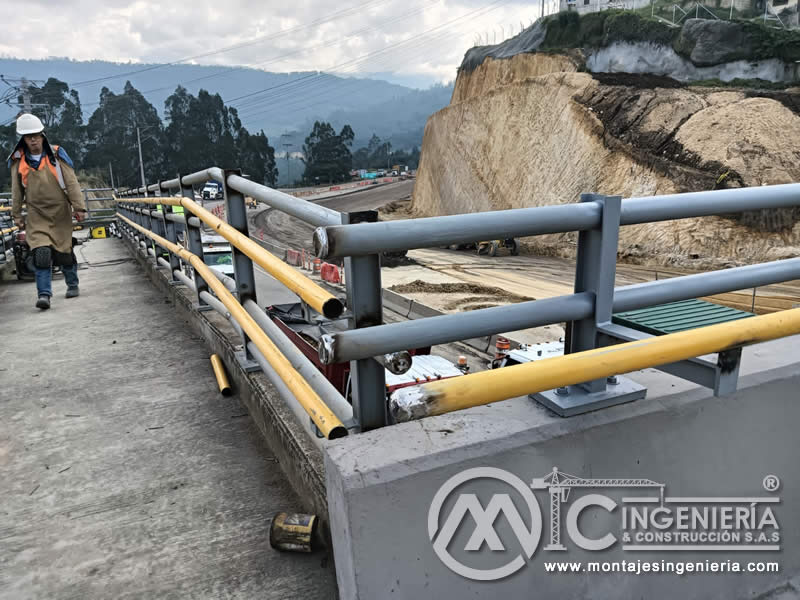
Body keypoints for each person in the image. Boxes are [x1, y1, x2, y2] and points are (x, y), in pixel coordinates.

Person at [9, 113, 86, 310]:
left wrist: (79, 207)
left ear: (43, 135)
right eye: (29, 137)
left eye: (36, 135)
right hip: (36, 214)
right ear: (23, 139)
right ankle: (44, 294)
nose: (33, 140)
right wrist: (16, 214)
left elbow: (71, 181)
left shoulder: (57, 154)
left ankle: (72, 283)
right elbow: (16, 190)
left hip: (60, 211)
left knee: (63, 252)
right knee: (41, 253)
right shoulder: (18, 160)